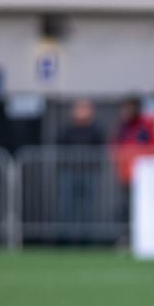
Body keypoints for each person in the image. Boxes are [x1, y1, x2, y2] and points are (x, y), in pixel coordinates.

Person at [110, 97, 154, 228]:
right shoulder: (122, 127)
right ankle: (126, 234)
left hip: (145, 176)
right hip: (126, 174)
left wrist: (145, 159)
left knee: (144, 207)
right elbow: (114, 146)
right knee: (126, 206)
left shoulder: (149, 125)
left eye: (129, 108)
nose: (125, 112)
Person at [54, 99, 104, 242]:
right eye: (79, 108)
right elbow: (60, 148)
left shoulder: (95, 130)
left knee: (86, 208)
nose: (81, 112)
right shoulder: (67, 129)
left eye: (84, 108)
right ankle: (64, 238)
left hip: (88, 173)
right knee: (66, 207)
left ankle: (85, 239)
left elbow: (100, 149)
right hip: (69, 173)